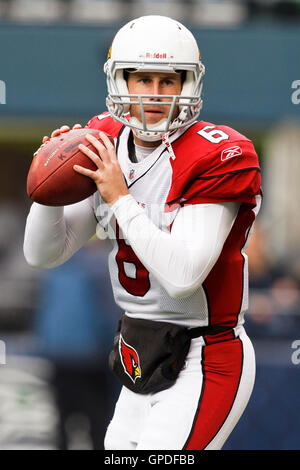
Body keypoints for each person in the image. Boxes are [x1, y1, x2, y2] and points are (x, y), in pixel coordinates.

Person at [23, 15, 262, 450]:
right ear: (120, 81)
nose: (154, 94)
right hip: (140, 349)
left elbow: (184, 275)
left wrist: (119, 199)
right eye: (142, 79)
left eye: (168, 81)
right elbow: (44, 254)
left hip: (205, 354)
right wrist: (46, 187)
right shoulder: (104, 140)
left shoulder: (219, 153)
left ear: (189, 85)